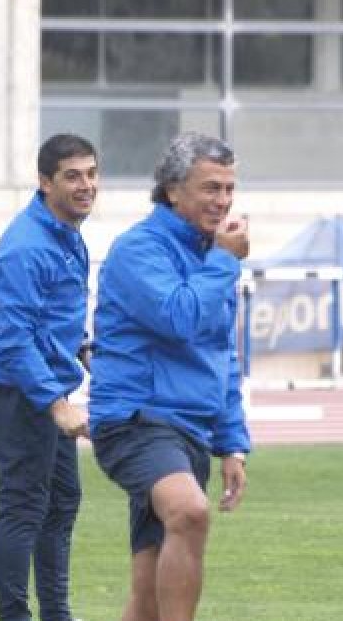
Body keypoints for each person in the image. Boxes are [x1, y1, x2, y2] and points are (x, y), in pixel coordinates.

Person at [89, 132, 251, 621]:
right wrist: (224, 260)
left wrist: (232, 442)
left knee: (145, 596)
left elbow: (220, 351)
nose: (222, 201)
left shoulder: (212, 255)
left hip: (190, 431)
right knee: (189, 511)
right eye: (210, 188)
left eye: (228, 189)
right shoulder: (139, 250)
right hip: (136, 420)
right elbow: (179, 318)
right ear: (172, 190)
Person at [0, 133, 99, 621]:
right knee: (23, 506)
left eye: (92, 174)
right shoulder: (25, 248)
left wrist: (91, 354)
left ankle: (56, 614)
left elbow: (59, 321)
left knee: (62, 501)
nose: (85, 185)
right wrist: (57, 405)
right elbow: (14, 340)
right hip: (21, 391)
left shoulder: (68, 234)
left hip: (50, 384)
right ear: (44, 180)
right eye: (72, 176)